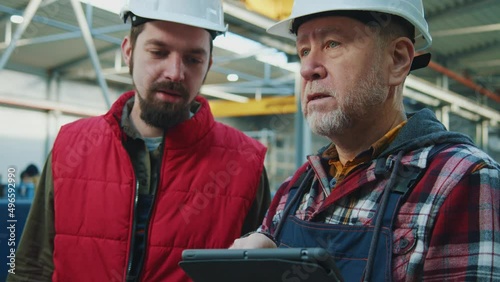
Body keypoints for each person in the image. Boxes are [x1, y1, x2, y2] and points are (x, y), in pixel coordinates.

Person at [230, 0, 500, 281]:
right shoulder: (297, 188)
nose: (308, 68)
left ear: (397, 60)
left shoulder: (460, 180)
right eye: (304, 50)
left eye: (333, 44)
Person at [8, 0, 270, 281]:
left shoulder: (245, 163)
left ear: (208, 65)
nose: (175, 73)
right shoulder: (70, 146)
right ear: (128, 51)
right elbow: (31, 268)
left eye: (193, 59)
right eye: (158, 52)